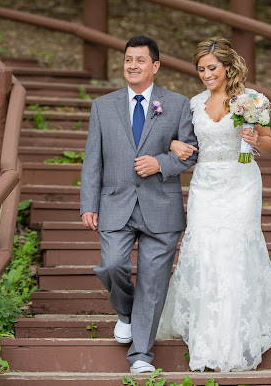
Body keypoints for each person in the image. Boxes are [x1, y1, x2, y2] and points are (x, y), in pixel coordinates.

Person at [156, 36, 271, 372]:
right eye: (200, 69)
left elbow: (268, 143)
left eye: (211, 67)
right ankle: (207, 331)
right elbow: (184, 142)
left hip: (241, 181)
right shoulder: (193, 104)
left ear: (227, 67)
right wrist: (175, 145)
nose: (206, 74)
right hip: (205, 184)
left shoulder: (251, 100)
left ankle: (236, 335)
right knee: (204, 248)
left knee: (236, 248)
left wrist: (255, 139)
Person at [80, 35, 198, 373]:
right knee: (112, 265)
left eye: (140, 60)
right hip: (115, 204)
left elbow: (191, 153)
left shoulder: (177, 104)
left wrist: (161, 163)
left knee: (153, 282)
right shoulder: (103, 106)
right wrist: (88, 203)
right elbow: (92, 160)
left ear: (155, 66)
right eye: (128, 59)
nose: (133, 65)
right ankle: (126, 311)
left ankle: (141, 355)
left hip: (161, 207)